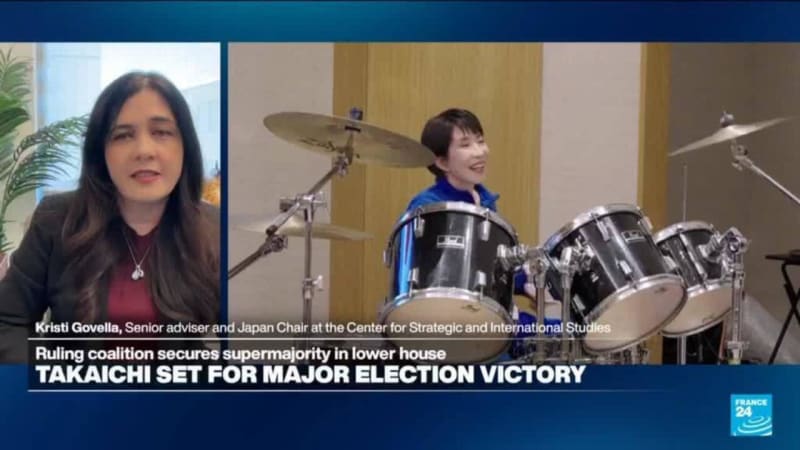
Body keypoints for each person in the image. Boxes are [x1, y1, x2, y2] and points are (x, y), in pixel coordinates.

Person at [0, 72, 220, 363]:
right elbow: (9, 322)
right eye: (123, 135)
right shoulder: (56, 219)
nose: (144, 151)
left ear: (185, 146)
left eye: (161, 132)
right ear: (101, 152)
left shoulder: (214, 228)